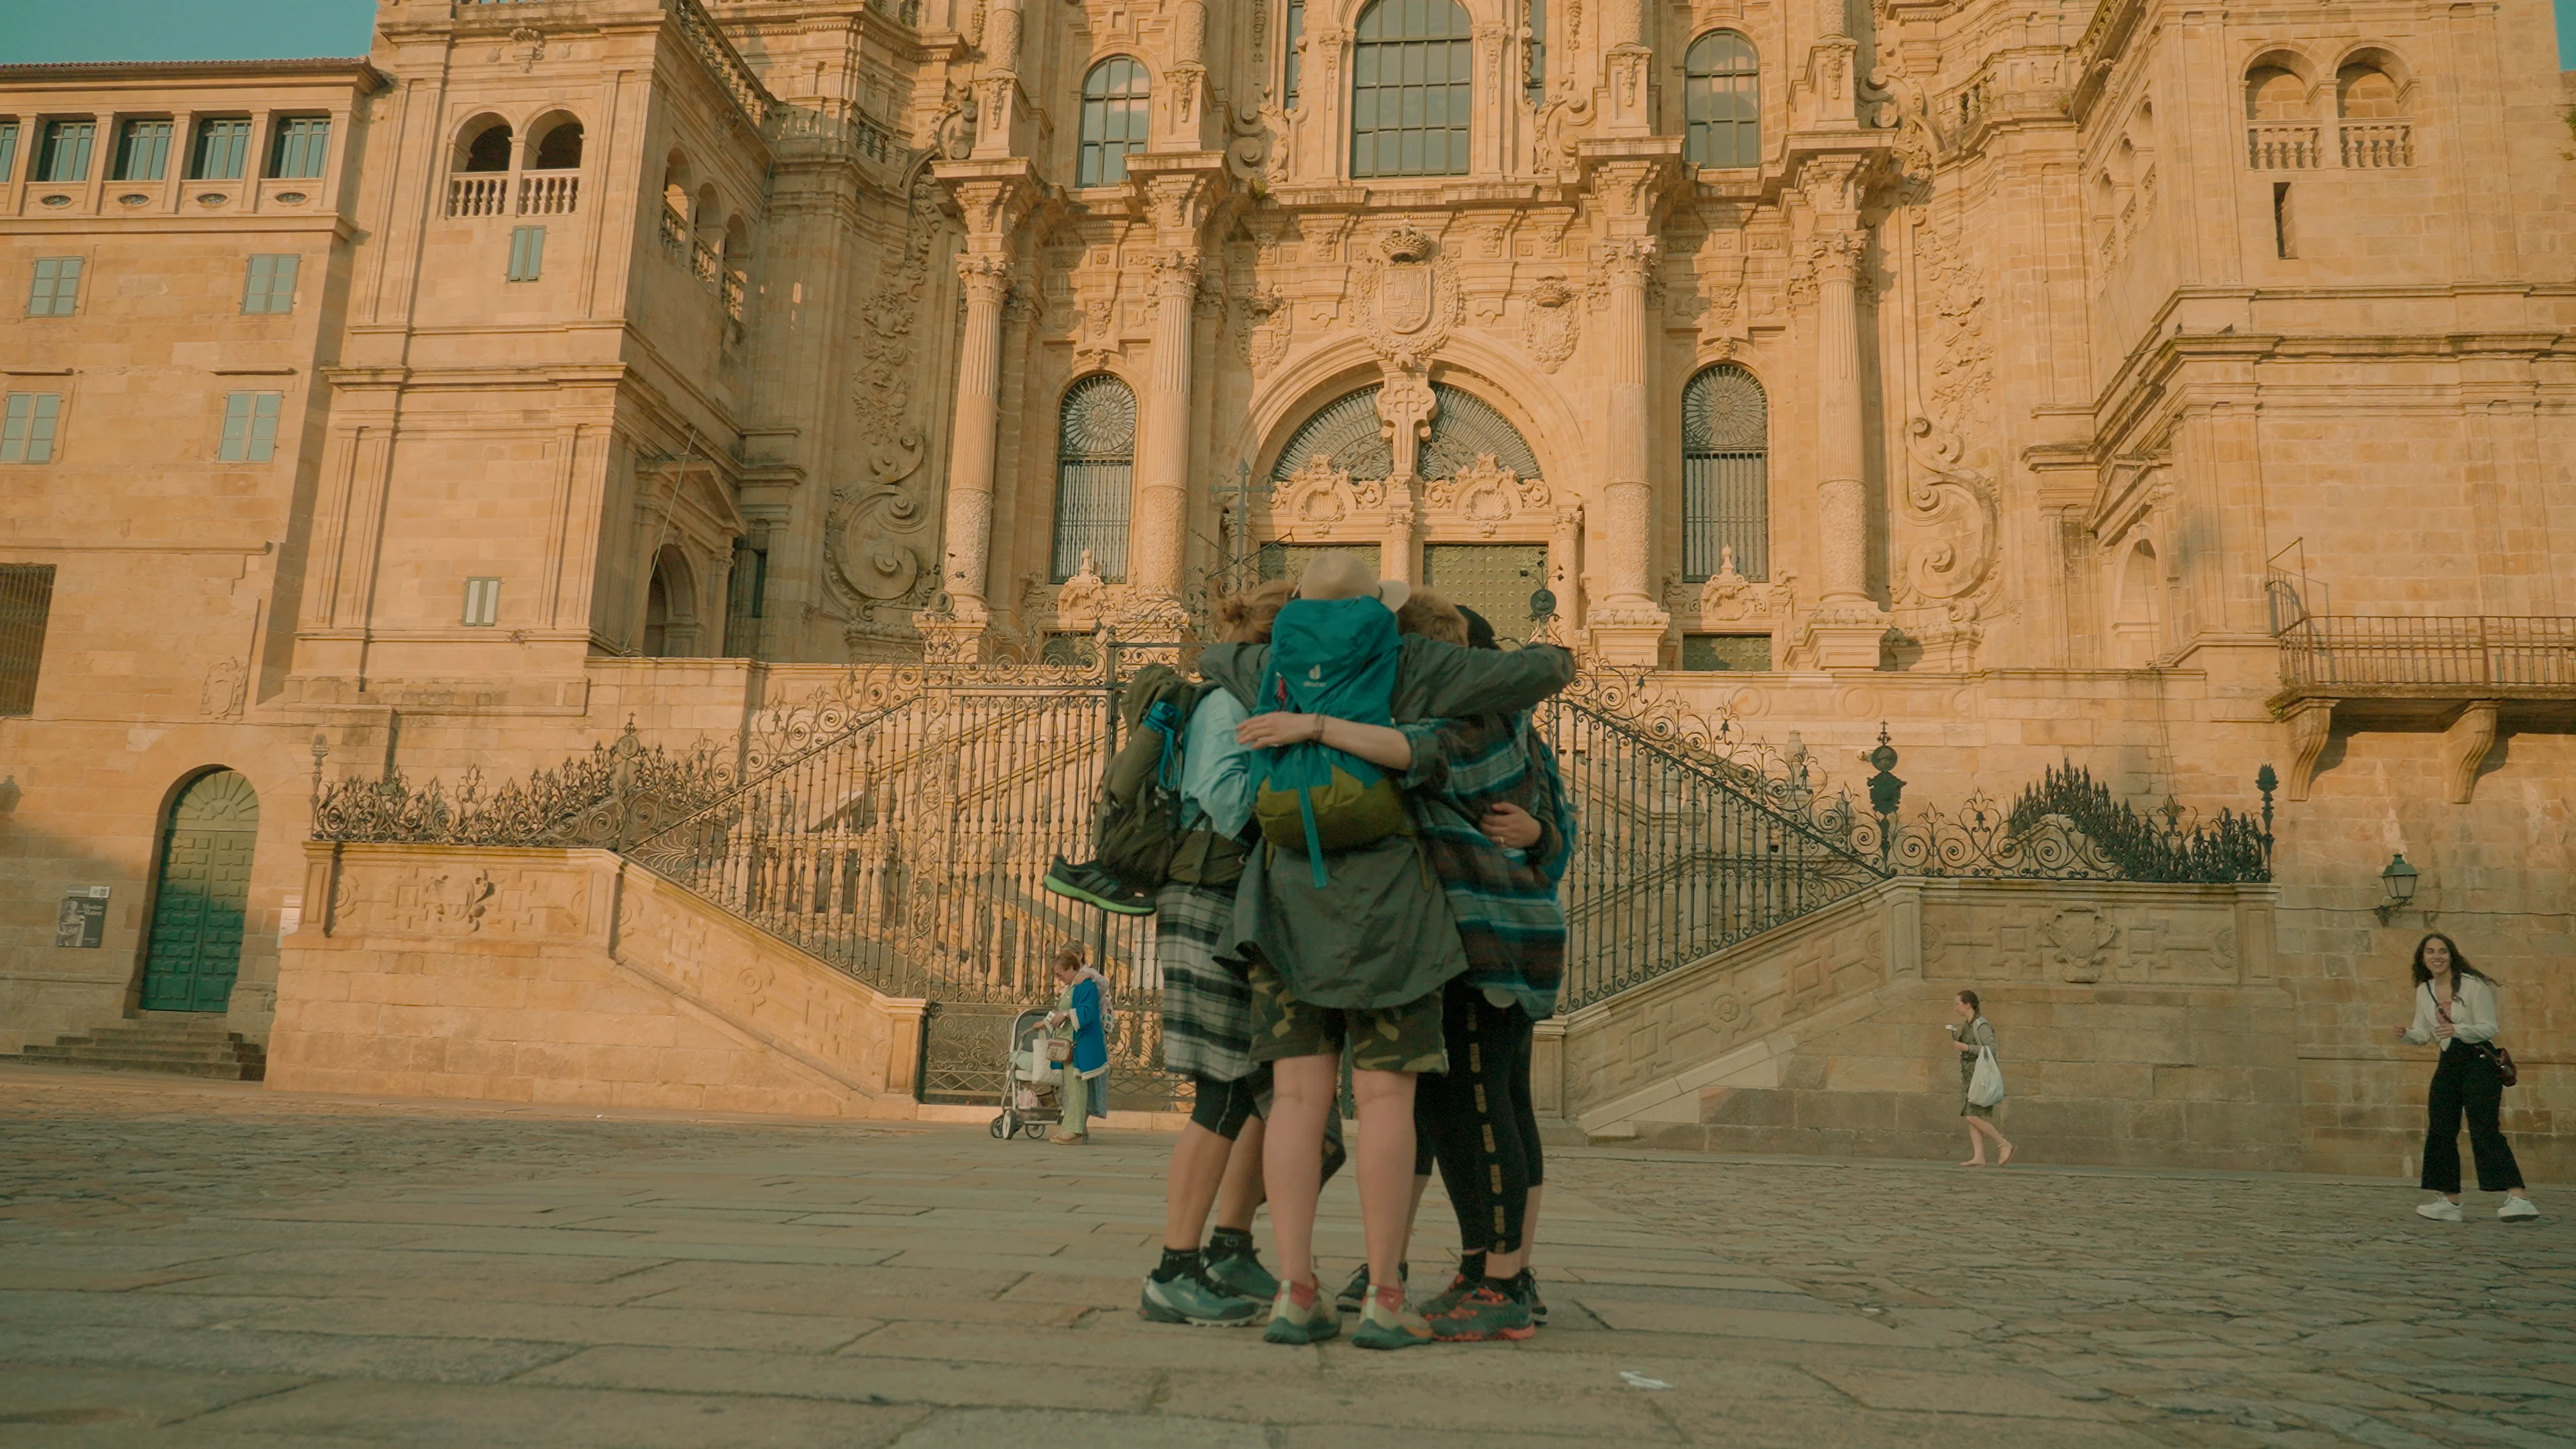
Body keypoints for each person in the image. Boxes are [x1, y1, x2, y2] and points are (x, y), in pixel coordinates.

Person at [1200, 551, 1575, 1351]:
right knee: (1386, 1105)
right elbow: (1547, 671)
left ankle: (1295, 1290)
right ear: (1379, 611)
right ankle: (1384, 1292)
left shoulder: (1259, 666)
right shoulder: (1412, 665)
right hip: (1393, 916)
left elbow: (1206, 657)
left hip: (1282, 905)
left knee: (1297, 1103)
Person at [1383, 598, 1574, 1344]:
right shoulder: (1507, 727)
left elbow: (1421, 764)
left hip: (1487, 937)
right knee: (1481, 1105)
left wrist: (1540, 835)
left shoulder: (1480, 726)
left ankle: (1503, 1283)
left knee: (1479, 1109)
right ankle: (1493, 1269)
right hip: (1504, 934)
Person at [1138, 580, 1292, 1326]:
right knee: (1221, 1088)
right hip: (1204, 900)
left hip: (1241, 906)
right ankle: (1174, 1268)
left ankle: (1230, 1246)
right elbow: (1226, 803)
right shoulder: (1229, 701)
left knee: (1262, 1082)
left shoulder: (1256, 699)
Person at [2394, 933, 2538, 1222]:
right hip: (2449, 1062)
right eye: (2430, 952)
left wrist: (2457, 1030)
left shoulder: (2473, 986)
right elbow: (2424, 1032)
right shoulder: (2425, 990)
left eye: (2443, 951)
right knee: (2441, 1128)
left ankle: (2518, 1198)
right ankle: (2450, 1201)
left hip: (2479, 1062)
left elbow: (2488, 1027)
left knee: (2484, 1127)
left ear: (2452, 955)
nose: (2437, 956)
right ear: (2422, 958)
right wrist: (2408, 1036)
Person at [1044, 947, 1108, 1145]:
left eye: (1060, 974)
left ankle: (1076, 1130)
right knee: (1072, 1090)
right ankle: (1071, 1127)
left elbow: (1087, 1013)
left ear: (1072, 968)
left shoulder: (1085, 985)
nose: (1059, 978)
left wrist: (1065, 1015)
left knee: (1078, 1090)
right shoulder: (1073, 987)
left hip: (1079, 1045)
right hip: (1071, 1045)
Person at [1950, 990, 2012, 1167]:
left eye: (1958, 1004)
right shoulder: (1968, 1025)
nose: (1956, 1008)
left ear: (1968, 1004)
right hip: (1970, 1075)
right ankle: (1979, 1157)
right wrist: (1964, 1053)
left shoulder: (1980, 1024)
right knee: (1973, 1116)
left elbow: (1991, 1048)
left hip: (1980, 1077)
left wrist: (1967, 1048)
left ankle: (2004, 1144)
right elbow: (1974, 1049)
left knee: (1972, 1116)